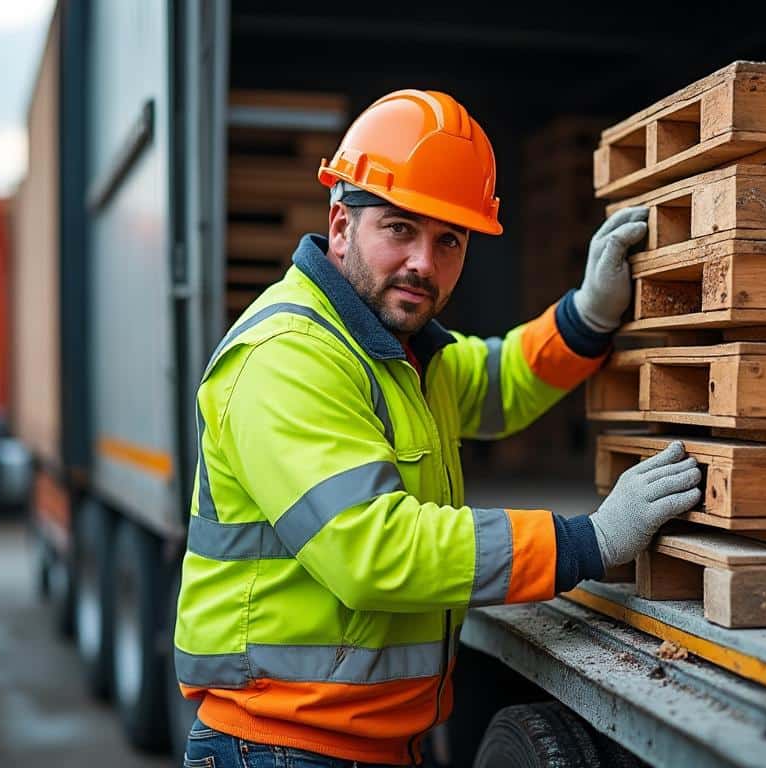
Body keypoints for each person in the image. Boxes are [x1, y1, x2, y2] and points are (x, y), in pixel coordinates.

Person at [175, 89, 701, 767]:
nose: (424, 262)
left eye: (448, 240)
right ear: (342, 227)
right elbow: (374, 551)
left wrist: (587, 316)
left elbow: (501, 381)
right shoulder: (288, 356)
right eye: (399, 228)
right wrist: (588, 542)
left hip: (370, 743)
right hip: (281, 747)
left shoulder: (401, 353)